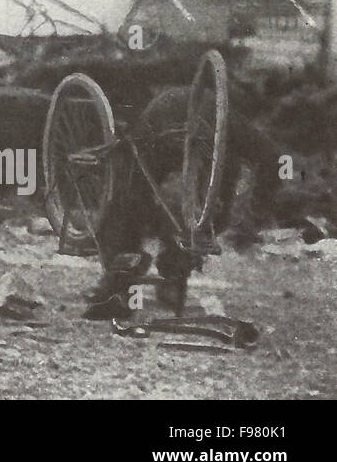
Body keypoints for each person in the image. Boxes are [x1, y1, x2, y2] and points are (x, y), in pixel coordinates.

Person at [83, 82, 286, 319]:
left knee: (198, 217)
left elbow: (274, 159)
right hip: (161, 126)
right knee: (131, 200)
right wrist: (257, 211)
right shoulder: (232, 126)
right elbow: (275, 158)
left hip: (190, 132)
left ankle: (162, 273)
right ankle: (124, 282)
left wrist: (254, 211)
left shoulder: (234, 130)